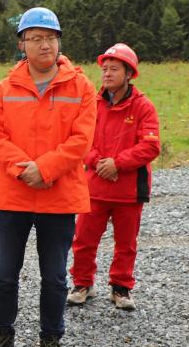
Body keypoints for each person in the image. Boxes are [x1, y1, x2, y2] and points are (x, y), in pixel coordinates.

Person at [0, 7, 96, 347]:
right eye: (36, 38)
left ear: (59, 41)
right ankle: (2, 338)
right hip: (15, 196)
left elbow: (82, 140)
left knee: (55, 276)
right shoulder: (3, 89)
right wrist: (24, 169)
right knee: (4, 273)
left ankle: (50, 343)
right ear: (22, 44)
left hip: (59, 197)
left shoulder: (82, 87)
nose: (45, 45)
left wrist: (45, 169)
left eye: (51, 38)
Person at [68, 43, 161, 311]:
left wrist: (117, 164)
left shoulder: (143, 107)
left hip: (129, 191)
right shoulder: (92, 104)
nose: (107, 74)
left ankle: (121, 288)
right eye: (105, 69)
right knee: (83, 240)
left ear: (129, 73)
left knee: (126, 244)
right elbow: (80, 138)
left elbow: (151, 146)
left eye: (114, 69)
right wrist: (97, 161)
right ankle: (82, 284)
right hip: (94, 187)